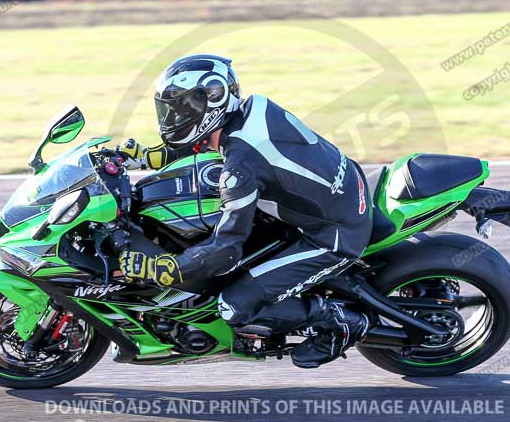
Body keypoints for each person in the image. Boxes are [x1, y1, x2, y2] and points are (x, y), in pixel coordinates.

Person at [118, 54, 372, 368]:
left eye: (181, 108)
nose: (172, 117)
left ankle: (338, 322)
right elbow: (204, 140)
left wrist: (164, 268)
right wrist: (146, 157)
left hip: (333, 235)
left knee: (231, 307)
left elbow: (225, 252)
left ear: (212, 100)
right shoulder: (251, 109)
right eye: (170, 109)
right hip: (345, 188)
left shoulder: (241, 167)